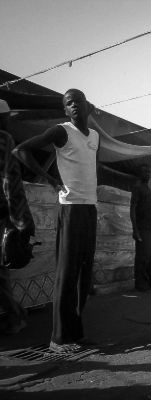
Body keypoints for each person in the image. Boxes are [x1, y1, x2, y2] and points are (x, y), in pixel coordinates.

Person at [13, 89, 99, 353]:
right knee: (67, 272)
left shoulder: (94, 136)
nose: (74, 105)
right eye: (68, 103)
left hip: (90, 208)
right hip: (71, 209)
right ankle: (59, 339)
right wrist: (49, 178)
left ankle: (76, 333)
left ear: (87, 105)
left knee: (84, 275)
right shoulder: (61, 131)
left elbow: (89, 168)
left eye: (78, 101)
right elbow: (21, 150)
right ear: (65, 110)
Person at [0, 100, 35, 335]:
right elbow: (10, 182)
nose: (10, 120)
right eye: (7, 116)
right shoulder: (4, 139)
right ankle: (16, 315)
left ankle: (15, 316)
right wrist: (22, 220)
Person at [130, 164, 151, 292]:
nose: (147, 174)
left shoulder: (147, 188)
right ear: (140, 173)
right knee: (143, 257)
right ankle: (141, 284)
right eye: (145, 172)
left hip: (150, 228)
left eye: (149, 172)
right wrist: (135, 229)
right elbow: (132, 208)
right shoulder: (137, 188)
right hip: (142, 228)